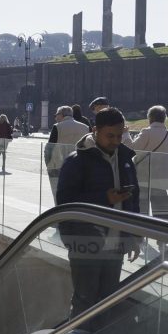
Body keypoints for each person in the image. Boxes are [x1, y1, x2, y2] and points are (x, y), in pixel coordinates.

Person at [55, 107, 141, 319]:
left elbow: (134, 200)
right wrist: (104, 198)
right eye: (110, 136)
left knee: (108, 300)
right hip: (85, 243)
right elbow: (65, 202)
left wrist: (134, 236)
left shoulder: (126, 159)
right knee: (85, 299)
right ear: (95, 131)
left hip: (116, 243)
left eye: (120, 135)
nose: (116, 141)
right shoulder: (76, 161)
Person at [127, 106, 168, 219]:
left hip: (144, 177)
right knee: (161, 214)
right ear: (164, 118)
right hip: (161, 178)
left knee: (142, 213)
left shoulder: (147, 132)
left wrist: (126, 134)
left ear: (150, 118)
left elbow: (133, 149)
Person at [45, 105, 90, 195]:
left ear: (62, 115)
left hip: (59, 165)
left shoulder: (57, 127)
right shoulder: (86, 127)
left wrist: (48, 163)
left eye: (56, 115)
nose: (55, 118)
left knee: (58, 193)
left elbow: (50, 147)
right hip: (80, 166)